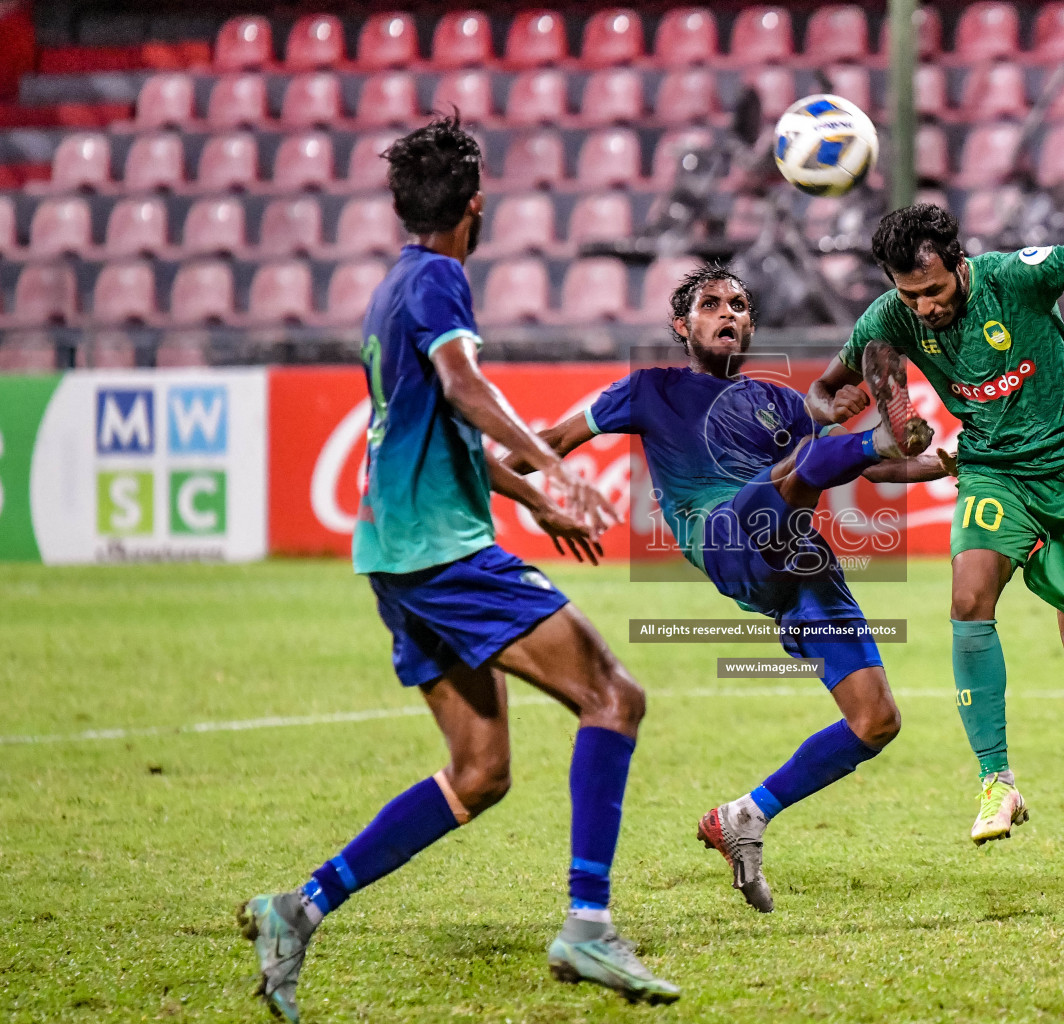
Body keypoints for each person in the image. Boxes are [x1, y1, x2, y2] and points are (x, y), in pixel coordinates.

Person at [237, 116, 680, 1020]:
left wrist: (530, 496)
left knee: (479, 770)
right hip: (442, 555)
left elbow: (433, 430)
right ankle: (588, 926)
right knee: (614, 697)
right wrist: (556, 464)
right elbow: (463, 391)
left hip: (393, 557)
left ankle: (299, 907)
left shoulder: (391, 288)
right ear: (477, 206)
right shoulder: (442, 279)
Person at [529, 264, 935, 913]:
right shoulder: (649, 389)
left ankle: (745, 815)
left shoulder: (780, 403)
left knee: (875, 720)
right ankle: (877, 426)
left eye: (740, 305)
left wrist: (945, 461)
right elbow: (553, 440)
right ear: (680, 325)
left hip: (800, 564)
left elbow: (872, 465)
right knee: (797, 466)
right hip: (725, 534)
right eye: (712, 303)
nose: (729, 313)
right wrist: (488, 471)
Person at [807, 204, 1064, 891]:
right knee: (969, 599)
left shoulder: (1011, 278)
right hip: (991, 466)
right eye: (910, 294)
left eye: (934, 289)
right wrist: (839, 414)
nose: (925, 306)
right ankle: (997, 781)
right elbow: (823, 392)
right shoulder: (887, 320)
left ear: (959, 265)